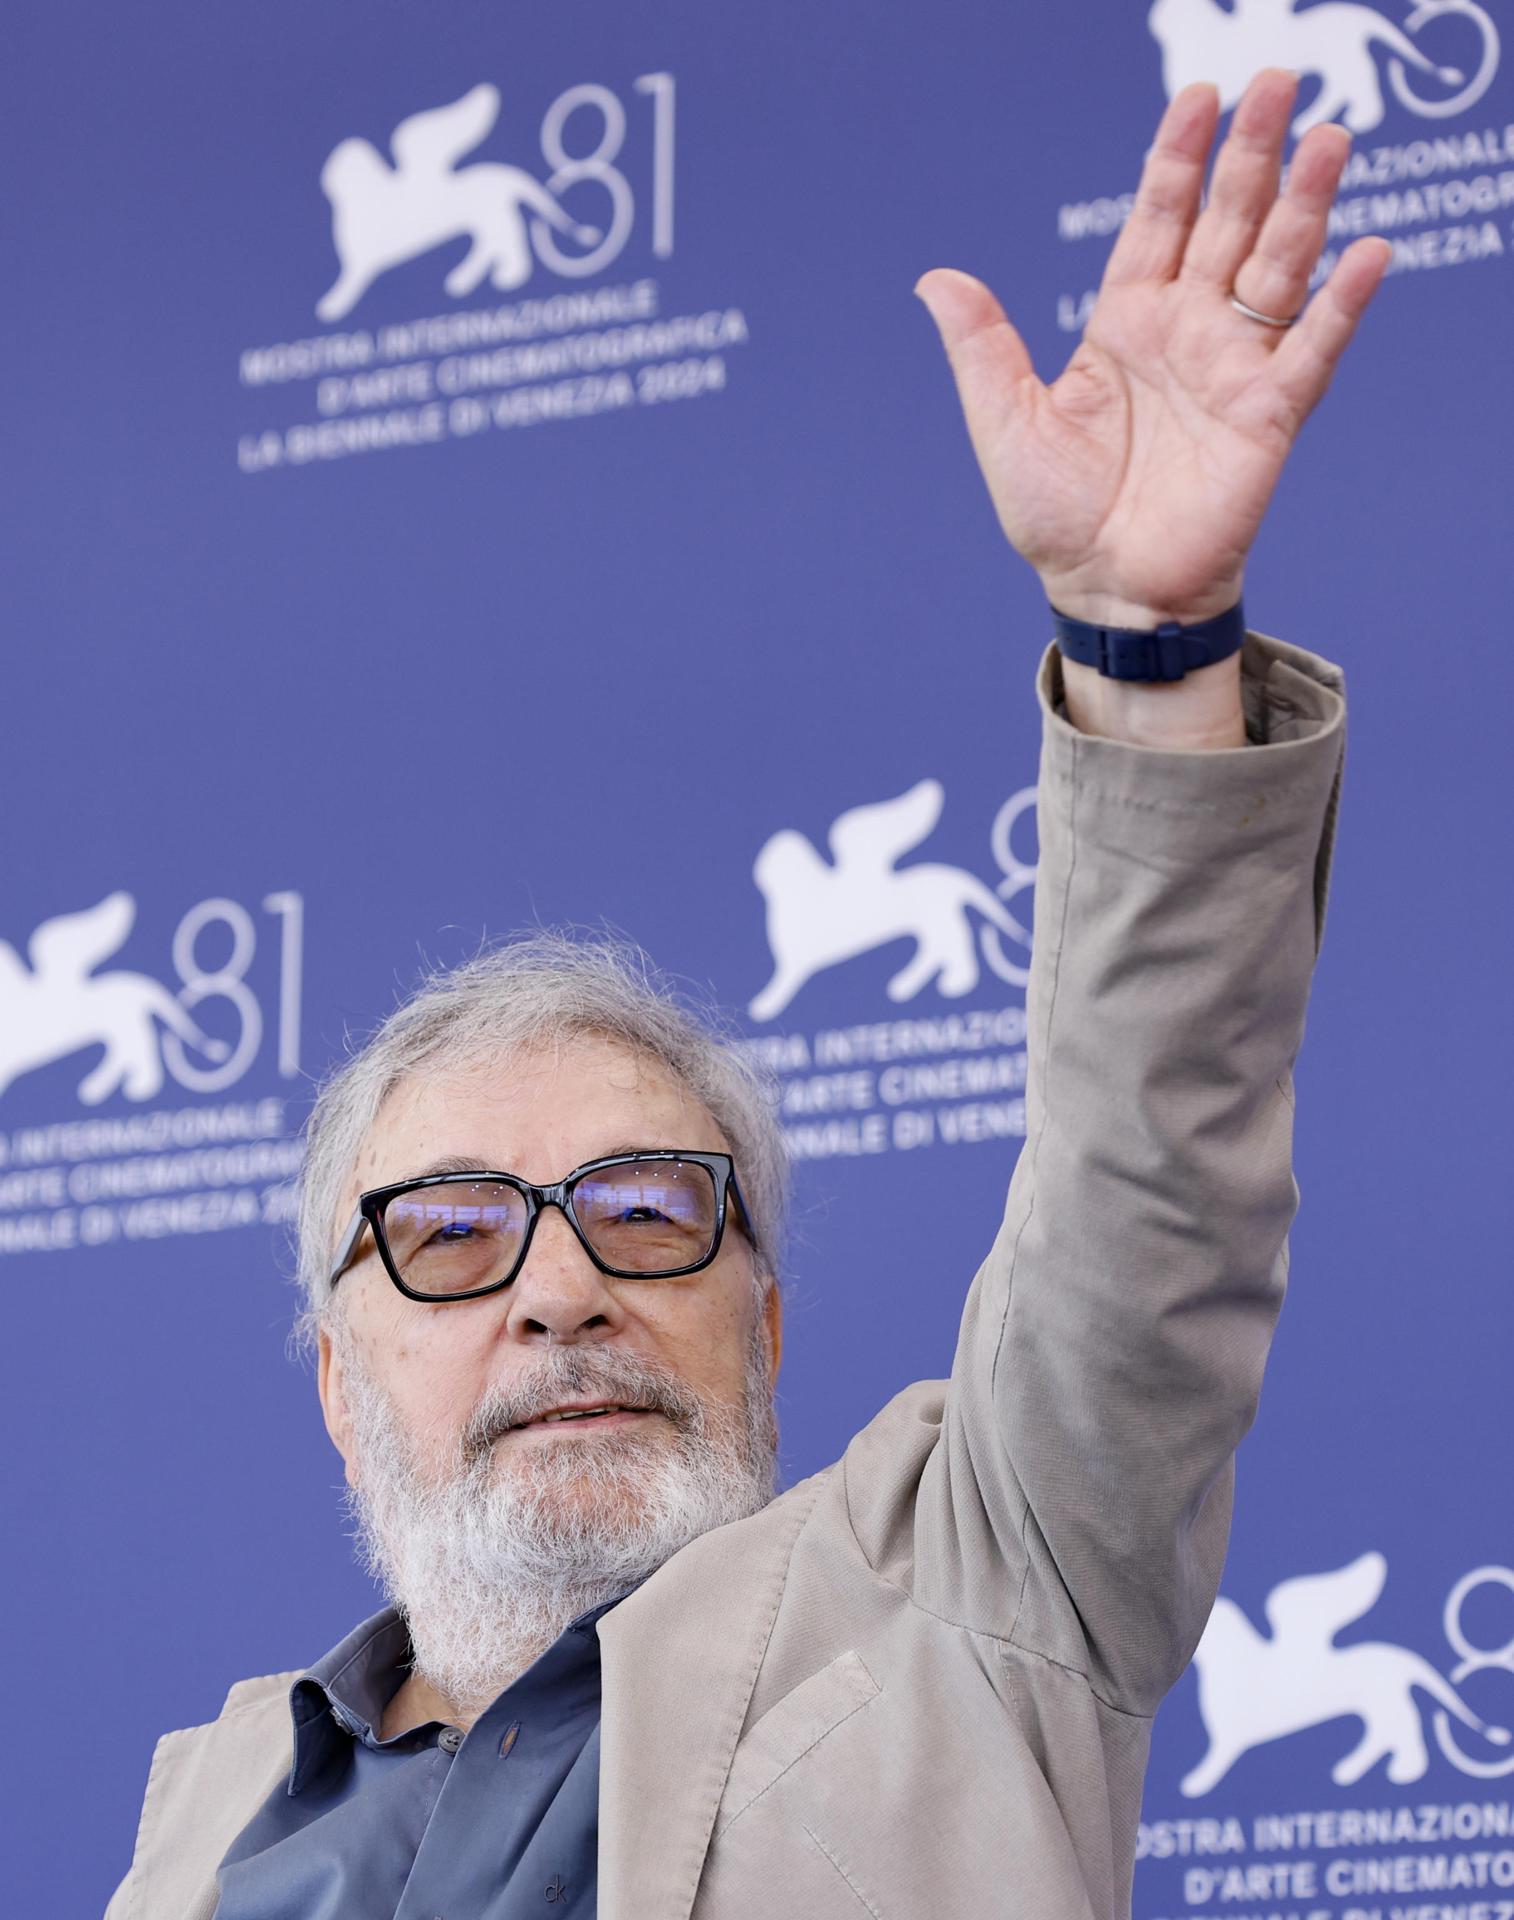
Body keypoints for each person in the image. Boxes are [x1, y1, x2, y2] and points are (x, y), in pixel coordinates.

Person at [107, 69, 1390, 1919]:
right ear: (336, 1380)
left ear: (765, 1331)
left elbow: (1151, 1179)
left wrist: (1143, 644)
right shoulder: (208, 1819)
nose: (562, 1292)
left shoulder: (978, 1599)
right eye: (452, 1237)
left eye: (644, 1215)